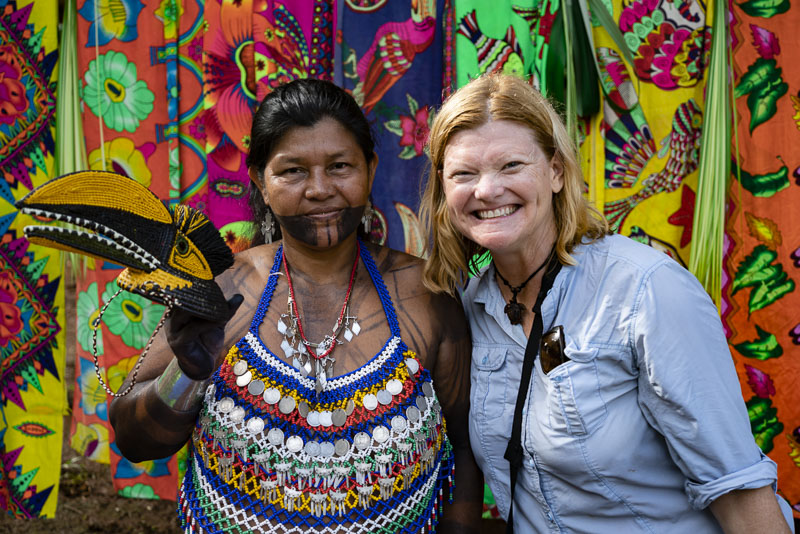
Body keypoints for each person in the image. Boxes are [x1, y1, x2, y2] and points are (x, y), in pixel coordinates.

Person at [418, 73, 795, 533]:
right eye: (465, 173)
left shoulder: (644, 291)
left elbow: (736, 488)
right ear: (443, 188)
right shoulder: (466, 309)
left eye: (512, 165)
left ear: (556, 171)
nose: (487, 189)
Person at [109, 78, 482, 533]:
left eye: (340, 166)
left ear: (371, 168)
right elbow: (134, 440)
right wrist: (186, 373)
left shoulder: (425, 296)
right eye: (292, 171)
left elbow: (465, 447)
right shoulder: (224, 290)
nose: (320, 188)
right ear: (261, 183)